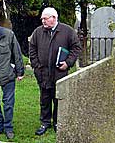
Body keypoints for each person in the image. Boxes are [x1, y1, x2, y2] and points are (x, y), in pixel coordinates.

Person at [29, 7, 81, 135]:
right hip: (43, 72)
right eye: (42, 19)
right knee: (45, 99)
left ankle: (58, 122)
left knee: (58, 98)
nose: (43, 21)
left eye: (45, 18)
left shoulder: (67, 31)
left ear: (54, 18)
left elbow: (76, 48)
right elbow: (32, 48)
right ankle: (45, 122)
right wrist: (36, 65)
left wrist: (68, 63)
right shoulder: (38, 32)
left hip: (60, 72)